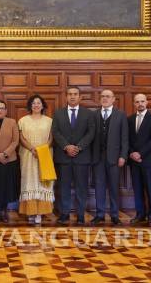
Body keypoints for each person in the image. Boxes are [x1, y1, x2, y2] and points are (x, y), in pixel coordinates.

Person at [52, 86, 96, 226]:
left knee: (81, 187)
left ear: (80, 97)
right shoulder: (58, 113)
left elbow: (91, 132)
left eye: (75, 94)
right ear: (66, 97)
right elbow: (55, 132)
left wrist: (78, 147)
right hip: (63, 156)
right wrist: (66, 146)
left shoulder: (88, 114)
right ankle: (64, 214)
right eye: (70, 94)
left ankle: (81, 215)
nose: (72, 96)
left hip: (81, 157)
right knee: (63, 187)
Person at [90, 89, 128, 226]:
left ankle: (114, 215)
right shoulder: (94, 115)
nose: (105, 98)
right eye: (103, 96)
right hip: (97, 157)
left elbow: (124, 137)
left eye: (107, 96)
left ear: (113, 99)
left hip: (115, 157)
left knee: (113, 187)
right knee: (99, 187)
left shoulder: (120, 115)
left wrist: (123, 156)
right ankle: (99, 214)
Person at [18, 94, 54, 225]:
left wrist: (41, 150)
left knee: (42, 181)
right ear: (30, 106)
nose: (36, 105)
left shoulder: (49, 121)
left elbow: (51, 138)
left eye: (38, 103)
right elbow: (21, 138)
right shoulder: (23, 120)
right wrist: (32, 149)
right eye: (33, 103)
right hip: (28, 155)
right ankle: (31, 211)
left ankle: (40, 212)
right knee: (29, 181)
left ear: (42, 105)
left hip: (45, 155)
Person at [128, 93, 151, 226]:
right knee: (137, 189)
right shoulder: (129, 119)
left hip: (148, 160)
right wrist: (132, 153)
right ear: (134, 104)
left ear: (146, 102)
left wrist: (140, 154)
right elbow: (127, 139)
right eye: (137, 102)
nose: (140, 104)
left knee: (150, 189)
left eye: (142, 101)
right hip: (134, 161)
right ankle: (140, 214)